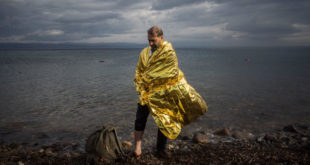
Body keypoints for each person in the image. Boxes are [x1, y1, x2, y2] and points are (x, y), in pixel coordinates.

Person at [133, 26, 207, 158]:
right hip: (146, 93)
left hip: (162, 94)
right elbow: (139, 70)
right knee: (140, 119)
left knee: (164, 121)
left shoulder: (169, 52)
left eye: (153, 40)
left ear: (161, 38)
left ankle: (160, 149)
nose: (150, 43)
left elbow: (170, 72)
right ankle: (137, 148)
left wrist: (147, 78)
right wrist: (140, 84)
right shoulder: (144, 52)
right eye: (149, 40)